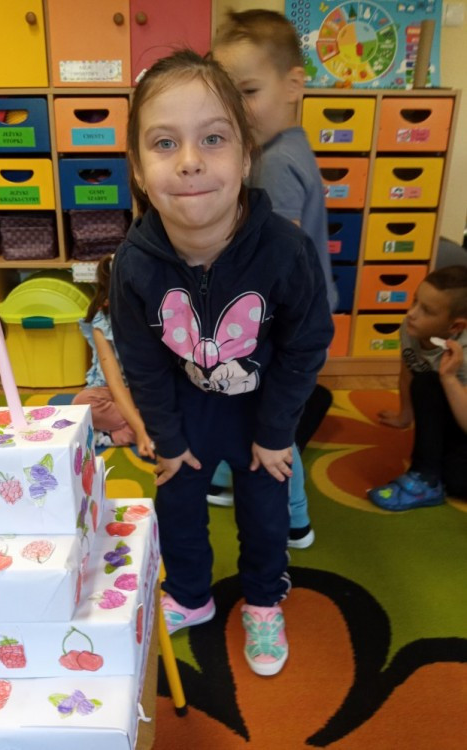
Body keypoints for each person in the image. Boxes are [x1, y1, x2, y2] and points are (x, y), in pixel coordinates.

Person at [110, 50, 333, 676]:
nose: (189, 160)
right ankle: (191, 595)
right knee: (177, 507)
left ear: (245, 156)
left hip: (261, 410)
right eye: (165, 143)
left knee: (264, 513)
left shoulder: (285, 250)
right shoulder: (133, 264)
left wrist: (276, 431)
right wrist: (166, 437)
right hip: (187, 410)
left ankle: (263, 600)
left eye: (213, 138)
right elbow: (140, 361)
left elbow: (307, 342)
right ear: (138, 169)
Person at [209, 9, 336, 546]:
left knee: (272, 421)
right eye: (227, 96)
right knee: (235, 402)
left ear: (293, 86)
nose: (237, 111)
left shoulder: (275, 165)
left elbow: (276, 261)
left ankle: (295, 518)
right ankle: (224, 477)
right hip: (292, 316)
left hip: (284, 323)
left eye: (249, 92)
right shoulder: (287, 146)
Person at [368, 266, 467, 510]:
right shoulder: (412, 327)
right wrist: (404, 415)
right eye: (414, 301)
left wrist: (450, 378)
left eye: (427, 310)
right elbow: (409, 368)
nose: (411, 314)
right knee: (425, 381)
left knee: (458, 483)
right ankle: (426, 477)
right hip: (453, 417)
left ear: (455, 326)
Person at [72, 255, 155, 458]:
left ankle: (113, 434)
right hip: (111, 391)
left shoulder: (155, 315)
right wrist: (140, 428)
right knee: (82, 404)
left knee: (189, 406)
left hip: (146, 391)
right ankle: (145, 429)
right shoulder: (102, 323)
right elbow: (115, 384)